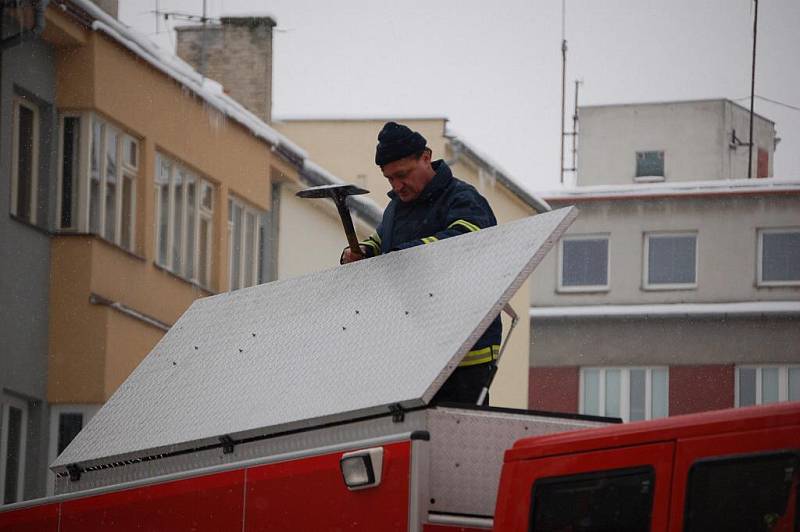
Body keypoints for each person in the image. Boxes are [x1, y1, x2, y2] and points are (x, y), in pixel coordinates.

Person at [341, 121, 502, 405]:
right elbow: (382, 240)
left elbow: (464, 243)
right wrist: (362, 252)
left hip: (465, 352)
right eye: (389, 179)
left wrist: (405, 255)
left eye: (402, 175)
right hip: (414, 350)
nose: (397, 185)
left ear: (426, 157)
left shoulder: (463, 199)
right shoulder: (396, 208)